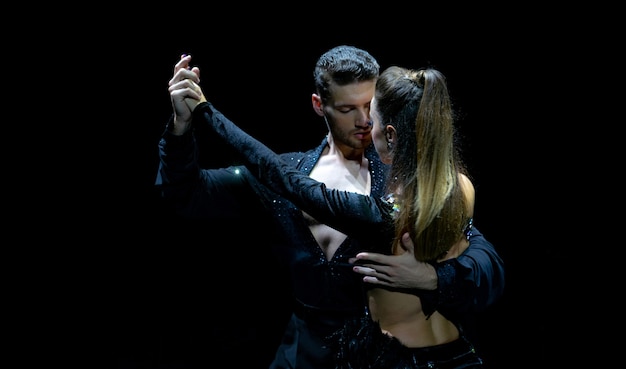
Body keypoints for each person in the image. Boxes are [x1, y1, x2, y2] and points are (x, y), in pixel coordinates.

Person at [157, 49, 504, 369]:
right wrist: (181, 126)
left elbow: (482, 258)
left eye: (371, 106)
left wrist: (434, 278)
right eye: (347, 108)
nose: (365, 120)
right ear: (319, 105)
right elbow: (186, 193)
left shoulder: (410, 182)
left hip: (386, 357)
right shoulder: (286, 172)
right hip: (302, 358)